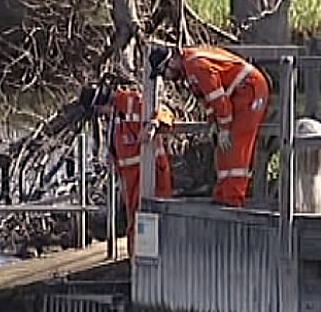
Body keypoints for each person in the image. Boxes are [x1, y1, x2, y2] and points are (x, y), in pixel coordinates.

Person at [148, 45, 270, 208]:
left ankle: (233, 199)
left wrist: (225, 127)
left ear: (171, 62)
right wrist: (214, 121)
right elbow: (209, 99)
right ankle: (223, 195)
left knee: (236, 146)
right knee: (223, 150)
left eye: (165, 73)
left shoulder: (196, 65)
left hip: (250, 89)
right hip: (238, 93)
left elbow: (217, 97)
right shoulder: (190, 69)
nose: (167, 78)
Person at [102, 86, 175, 257]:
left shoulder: (133, 103)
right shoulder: (116, 117)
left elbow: (164, 112)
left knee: (152, 222)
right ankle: (136, 266)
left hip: (151, 177)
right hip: (131, 182)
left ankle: (148, 268)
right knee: (135, 225)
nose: (101, 114)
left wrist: (153, 125)